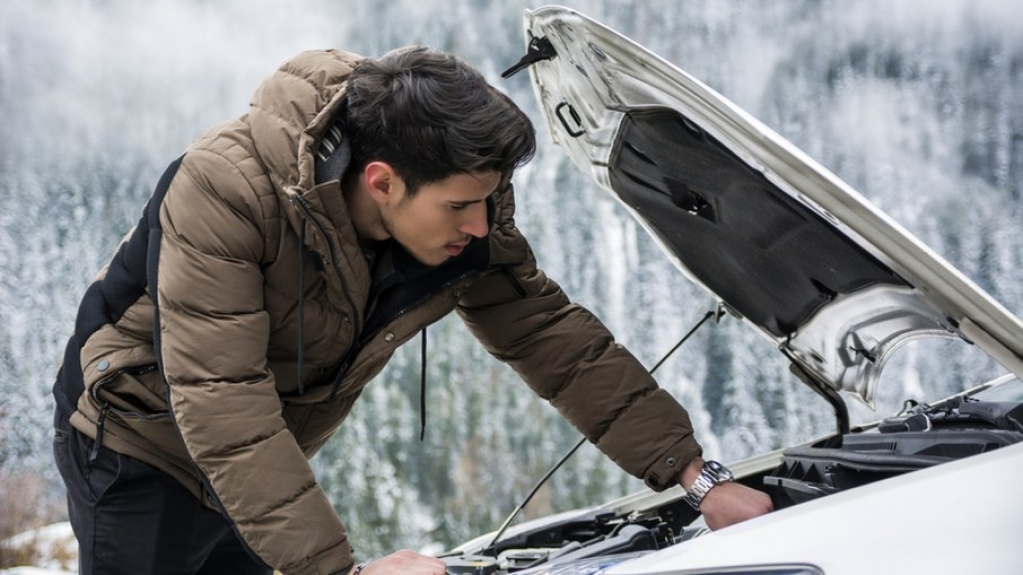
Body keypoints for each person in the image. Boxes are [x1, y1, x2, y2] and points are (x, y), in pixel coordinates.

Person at [51, 46, 772, 575]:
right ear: (382, 181)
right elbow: (222, 398)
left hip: (257, 451)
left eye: (488, 201)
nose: (481, 226)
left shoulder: (461, 202)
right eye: (460, 205)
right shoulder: (227, 189)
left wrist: (695, 476)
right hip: (136, 437)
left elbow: (551, 337)